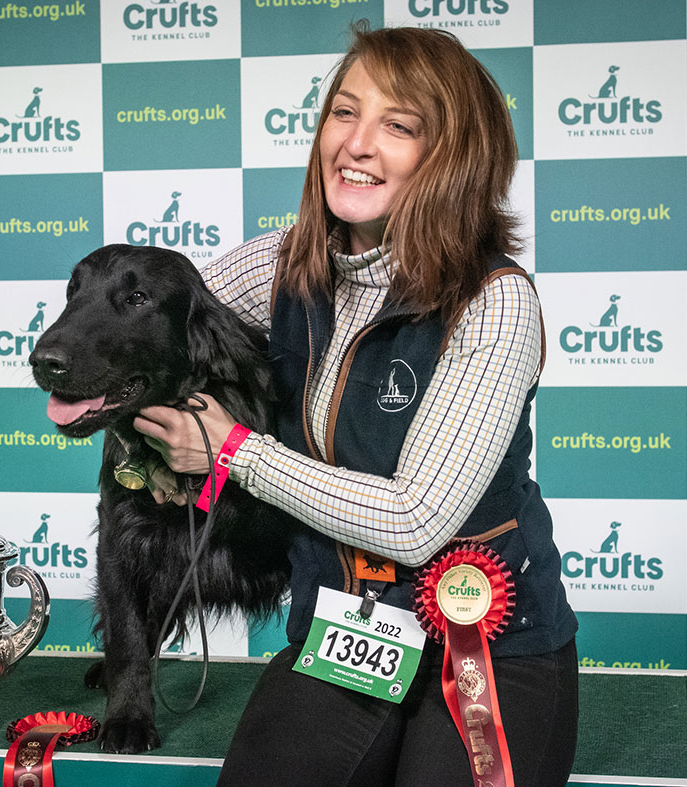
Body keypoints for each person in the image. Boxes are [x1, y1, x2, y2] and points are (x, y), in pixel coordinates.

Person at [134, 25, 579, 787]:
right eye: (344, 113)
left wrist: (231, 447)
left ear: (452, 158)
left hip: (488, 647)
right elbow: (160, 325)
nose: (356, 143)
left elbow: (414, 520)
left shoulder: (492, 301)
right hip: (345, 633)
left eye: (397, 125)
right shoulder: (280, 266)